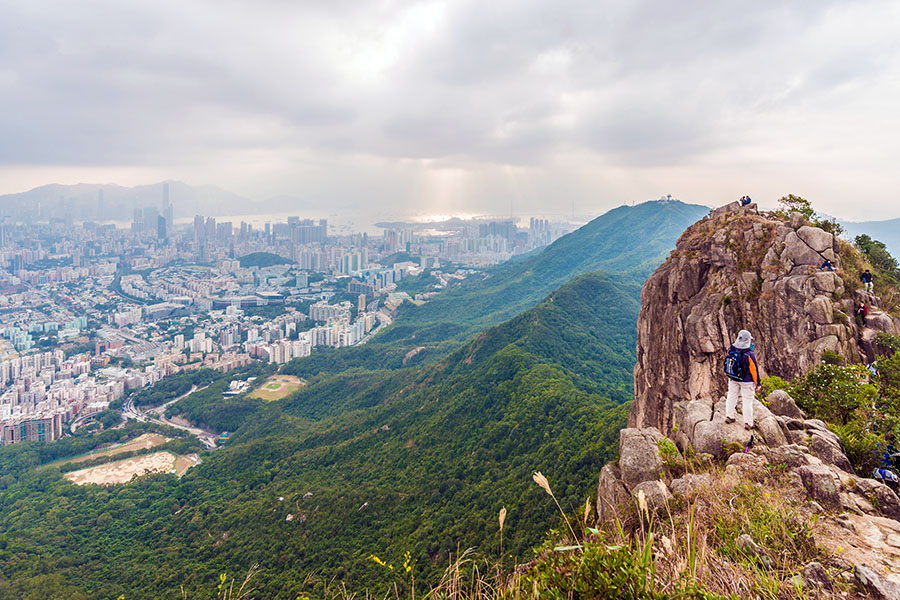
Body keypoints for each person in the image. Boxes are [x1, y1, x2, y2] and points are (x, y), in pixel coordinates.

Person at [723, 329, 760, 430]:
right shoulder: (749, 354)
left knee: (731, 396)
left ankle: (729, 416)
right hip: (747, 381)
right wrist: (758, 383)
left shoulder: (731, 348)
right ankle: (748, 423)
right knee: (747, 401)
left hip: (733, 377)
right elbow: (754, 370)